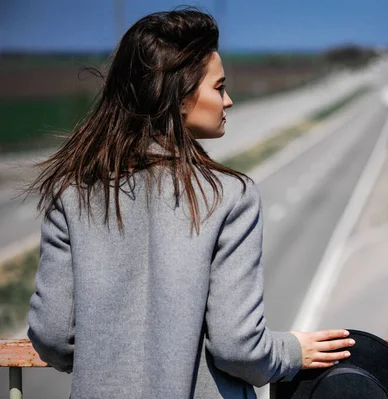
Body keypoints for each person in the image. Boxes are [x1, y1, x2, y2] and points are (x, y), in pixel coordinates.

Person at [26, 7, 354, 399]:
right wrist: (292, 352)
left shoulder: (72, 191)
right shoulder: (228, 195)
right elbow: (238, 348)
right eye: (219, 87)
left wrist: (114, 361)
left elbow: (51, 336)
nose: (228, 100)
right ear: (180, 97)